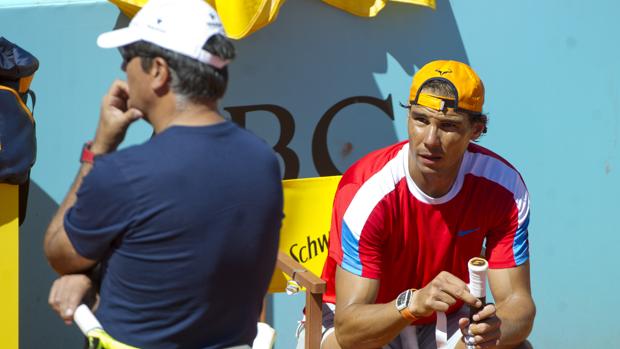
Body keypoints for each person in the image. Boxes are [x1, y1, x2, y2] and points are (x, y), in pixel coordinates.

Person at [43, 0, 283, 348]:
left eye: (128, 58)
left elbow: (60, 253)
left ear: (158, 71)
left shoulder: (124, 173)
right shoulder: (262, 162)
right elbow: (182, 261)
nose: (123, 70)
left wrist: (99, 147)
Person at [296, 60, 535, 349]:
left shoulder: (504, 188)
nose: (430, 140)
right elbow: (349, 331)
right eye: (421, 120)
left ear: (476, 130)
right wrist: (412, 303)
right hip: (357, 321)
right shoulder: (367, 190)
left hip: (443, 319)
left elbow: (519, 306)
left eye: (448, 126)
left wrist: (494, 330)